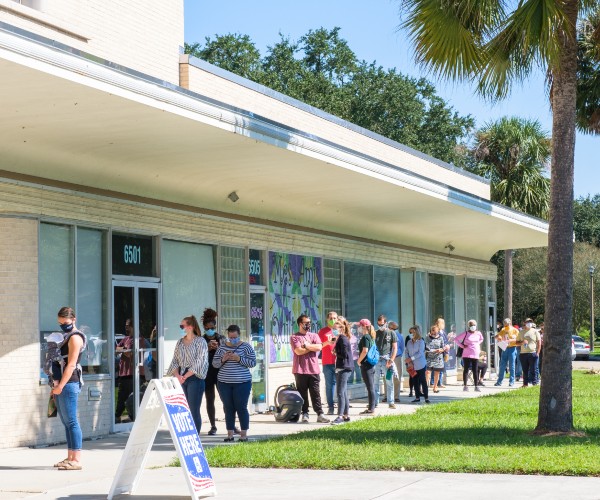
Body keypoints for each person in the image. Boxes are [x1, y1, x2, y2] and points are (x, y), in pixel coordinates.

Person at [52, 307, 87, 471]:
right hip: (62, 383)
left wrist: (60, 385)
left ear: (73, 319)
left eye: (65, 323)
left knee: (72, 421)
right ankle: (70, 457)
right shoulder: (65, 336)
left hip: (70, 382)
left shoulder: (75, 337)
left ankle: (77, 459)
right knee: (66, 422)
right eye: (60, 323)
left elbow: (71, 364)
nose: (62, 326)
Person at [212, 325, 256, 442]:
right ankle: (230, 434)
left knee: (241, 407)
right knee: (228, 408)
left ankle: (243, 435)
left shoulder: (246, 347)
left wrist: (239, 358)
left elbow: (253, 362)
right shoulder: (222, 348)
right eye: (231, 337)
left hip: (242, 382)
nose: (233, 339)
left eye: (235, 337)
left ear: (239, 335)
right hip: (224, 383)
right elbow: (215, 364)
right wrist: (223, 359)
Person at [167, 315, 209, 433]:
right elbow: (175, 360)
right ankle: (186, 432)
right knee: (183, 408)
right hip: (181, 376)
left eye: (182, 326)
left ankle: (195, 434)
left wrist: (186, 375)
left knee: (193, 408)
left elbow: (201, 361)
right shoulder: (180, 342)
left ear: (190, 327)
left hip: (195, 377)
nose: (181, 328)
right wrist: (178, 376)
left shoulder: (200, 341)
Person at [290, 315, 330, 423]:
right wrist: (311, 347)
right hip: (300, 369)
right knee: (302, 393)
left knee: (315, 393)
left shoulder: (314, 335)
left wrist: (307, 346)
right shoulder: (294, 337)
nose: (308, 324)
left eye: (309, 322)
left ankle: (320, 413)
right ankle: (305, 413)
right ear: (300, 324)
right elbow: (298, 351)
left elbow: (319, 347)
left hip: (313, 369)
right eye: (306, 322)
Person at [202, 308, 224, 436]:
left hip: (220, 373)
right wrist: (207, 348)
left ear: (215, 326)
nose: (209, 330)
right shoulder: (201, 340)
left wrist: (218, 347)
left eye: (211, 327)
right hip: (207, 373)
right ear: (204, 328)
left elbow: (227, 352)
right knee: (210, 399)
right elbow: (198, 355)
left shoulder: (221, 338)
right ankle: (213, 425)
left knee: (225, 399)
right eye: (207, 328)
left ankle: (230, 424)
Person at [331, 317, 353, 424]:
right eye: (333, 328)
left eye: (335, 328)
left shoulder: (343, 338)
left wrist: (336, 353)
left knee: (339, 392)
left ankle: (340, 416)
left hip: (344, 367)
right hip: (343, 366)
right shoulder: (340, 338)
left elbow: (344, 354)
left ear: (341, 329)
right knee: (343, 392)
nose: (333, 330)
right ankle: (346, 415)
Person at [374, 314, 398, 409]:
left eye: (382, 324)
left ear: (386, 323)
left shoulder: (391, 333)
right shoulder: (375, 333)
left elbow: (395, 348)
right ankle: (375, 402)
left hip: (386, 359)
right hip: (376, 360)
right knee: (375, 382)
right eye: (379, 324)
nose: (380, 326)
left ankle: (391, 402)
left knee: (389, 381)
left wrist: (391, 360)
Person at [318, 311, 338, 415]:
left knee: (340, 385)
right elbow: (319, 345)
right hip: (327, 362)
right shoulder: (322, 332)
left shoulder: (340, 330)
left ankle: (342, 407)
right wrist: (328, 342)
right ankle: (331, 407)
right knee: (329, 385)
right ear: (327, 319)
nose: (333, 320)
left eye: (334, 318)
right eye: (330, 318)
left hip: (339, 362)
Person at [115, 318, 135, 423]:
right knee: (121, 396)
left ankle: (132, 416)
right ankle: (117, 416)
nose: (125, 327)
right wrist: (124, 350)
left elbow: (130, 354)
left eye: (127, 325)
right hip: (123, 372)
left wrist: (123, 350)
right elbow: (116, 350)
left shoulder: (138, 339)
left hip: (132, 373)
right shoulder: (126, 339)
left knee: (131, 397)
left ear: (132, 326)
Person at [456, 319, 484, 392]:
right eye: (471, 325)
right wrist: (462, 346)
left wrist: (478, 343)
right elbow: (456, 339)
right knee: (466, 370)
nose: (473, 327)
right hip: (467, 354)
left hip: (475, 354)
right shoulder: (465, 333)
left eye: (474, 325)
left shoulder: (478, 333)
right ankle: (465, 386)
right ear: (469, 326)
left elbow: (481, 339)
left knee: (475, 370)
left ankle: (476, 386)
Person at [356, 319, 377, 414]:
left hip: (366, 365)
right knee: (371, 386)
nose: (358, 328)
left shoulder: (365, 337)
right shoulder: (370, 337)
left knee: (370, 387)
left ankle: (371, 409)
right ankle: (371, 407)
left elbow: (365, 351)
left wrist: (359, 361)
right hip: (370, 365)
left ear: (364, 327)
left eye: (359, 326)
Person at [405, 325, 429, 404]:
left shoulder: (421, 341)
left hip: (420, 364)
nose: (411, 334)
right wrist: (408, 361)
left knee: (422, 380)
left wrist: (411, 359)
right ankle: (417, 397)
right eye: (410, 332)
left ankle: (426, 397)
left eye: (413, 332)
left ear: (417, 332)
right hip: (412, 365)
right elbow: (406, 352)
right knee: (415, 380)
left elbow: (420, 353)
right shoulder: (408, 342)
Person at [516, 318, 542, 387]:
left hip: (532, 353)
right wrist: (522, 342)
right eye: (527, 322)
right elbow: (516, 343)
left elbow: (539, 343)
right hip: (523, 354)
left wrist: (538, 353)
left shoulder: (535, 331)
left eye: (530, 322)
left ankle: (534, 383)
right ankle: (525, 384)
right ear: (524, 323)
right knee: (525, 370)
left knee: (533, 369)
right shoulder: (521, 332)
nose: (529, 323)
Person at [494, 318, 519, 387]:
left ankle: (511, 381)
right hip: (505, 348)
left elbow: (519, 339)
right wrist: (499, 337)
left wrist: (511, 340)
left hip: (512, 348)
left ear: (510, 323)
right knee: (502, 365)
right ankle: (499, 381)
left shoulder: (515, 330)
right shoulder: (503, 329)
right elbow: (499, 335)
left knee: (512, 365)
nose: (505, 325)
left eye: (507, 324)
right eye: (504, 324)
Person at [425, 325, 448, 393]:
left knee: (437, 373)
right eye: (433, 331)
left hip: (438, 358)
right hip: (430, 357)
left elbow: (443, 346)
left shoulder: (440, 338)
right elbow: (426, 346)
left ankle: (435, 387)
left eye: (436, 331)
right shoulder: (427, 338)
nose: (435, 333)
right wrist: (433, 350)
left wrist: (441, 350)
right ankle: (425, 386)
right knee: (428, 372)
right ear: (431, 331)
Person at [388, 321, 405, 403]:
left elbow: (402, 347)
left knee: (397, 377)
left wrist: (399, 354)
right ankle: (387, 396)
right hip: (388, 358)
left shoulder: (399, 336)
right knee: (387, 377)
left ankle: (396, 396)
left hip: (397, 358)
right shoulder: (386, 335)